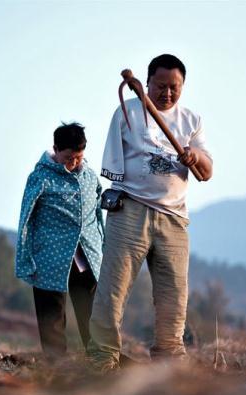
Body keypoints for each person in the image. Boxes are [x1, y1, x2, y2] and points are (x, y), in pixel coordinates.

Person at [88, 54, 213, 371]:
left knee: (174, 297)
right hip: (131, 209)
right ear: (147, 83)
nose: (167, 94)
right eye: (160, 86)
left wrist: (194, 155)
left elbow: (208, 171)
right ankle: (103, 358)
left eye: (174, 87)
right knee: (113, 289)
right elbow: (113, 165)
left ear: (183, 85)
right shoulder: (128, 112)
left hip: (174, 219)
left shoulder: (191, 121)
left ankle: (169, 361)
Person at [15, 122, 104, 358]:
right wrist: (25, 259)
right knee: (51, 314)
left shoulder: (90, 175)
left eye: (78, 157)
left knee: (91, 311)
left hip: (85, 256)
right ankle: (56, 365)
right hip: (49, 256)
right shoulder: (40, 177)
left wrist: (102, 248)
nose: (73, 163)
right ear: (55, 149)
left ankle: (99, 359)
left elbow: (97, 215)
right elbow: (26, 219)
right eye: (68, 158)